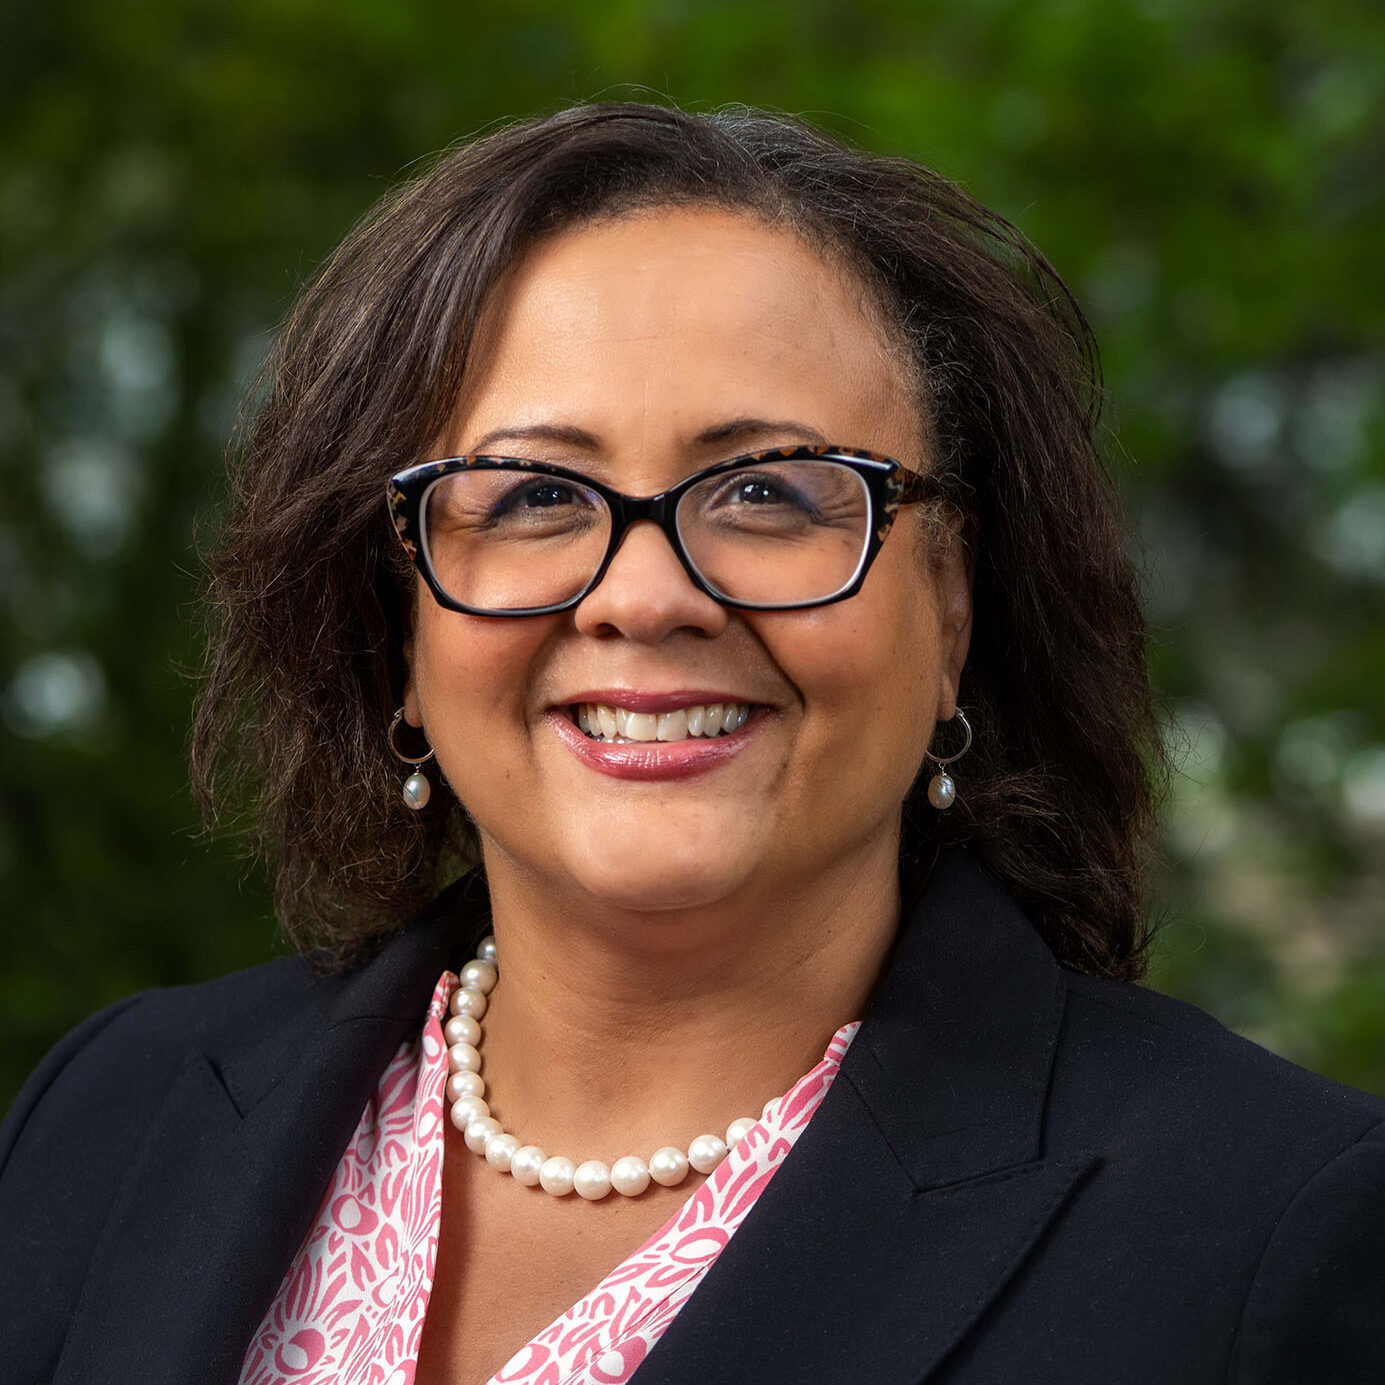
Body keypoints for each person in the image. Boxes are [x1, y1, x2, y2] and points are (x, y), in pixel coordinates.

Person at [1, 101, 1382, 1385]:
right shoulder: (111, 1115)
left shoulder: (1272, 1229)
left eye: (771, 492)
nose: (644, 596)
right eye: (534, 493)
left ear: (950, 607)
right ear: (394, 624)